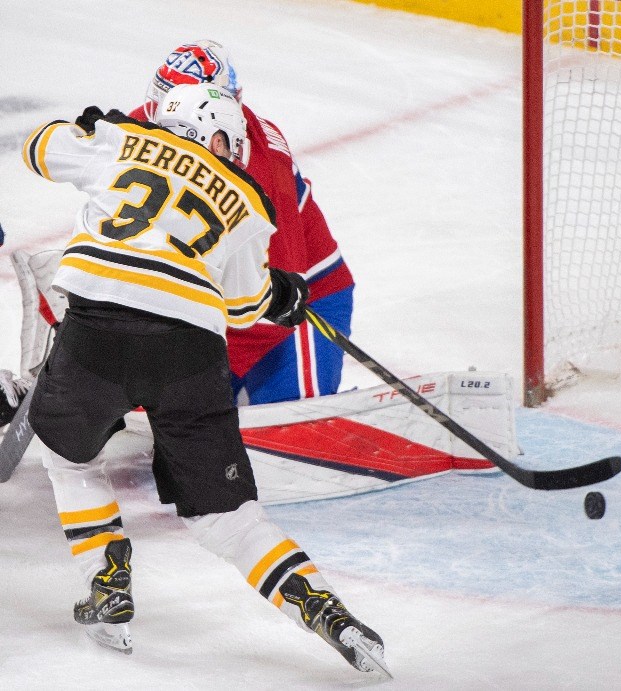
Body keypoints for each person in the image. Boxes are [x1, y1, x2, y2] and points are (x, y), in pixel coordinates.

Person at [20, 83, 389, 676]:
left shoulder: (124, 141)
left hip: (98, 327)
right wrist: (282, 295)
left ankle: (107, 576)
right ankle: (323, 607)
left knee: (69, 456)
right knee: (228, 517)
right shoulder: (245, 198)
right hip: (189, 353)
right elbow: (244, 308)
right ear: (216, 136)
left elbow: (37, 150)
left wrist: (88, 130)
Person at [132, 40, 354, 404]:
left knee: (288, 419)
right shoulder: (150, 122)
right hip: (219, 304)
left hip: (296, 306)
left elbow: (272, 293)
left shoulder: (264, 166)